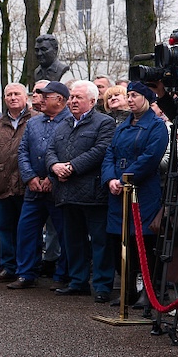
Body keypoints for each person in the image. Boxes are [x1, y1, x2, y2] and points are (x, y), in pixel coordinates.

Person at [101, 82, 168, 309]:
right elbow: (110, 153)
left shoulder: (156, 126)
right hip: (118, 192)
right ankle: (127, 289)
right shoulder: (122, 126)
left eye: (134, 95)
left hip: (143, 191)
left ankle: (148, 291)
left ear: (146, 98)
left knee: (144, 243)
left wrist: (125, 179)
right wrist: (110, 179)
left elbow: (150, 158)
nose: (129, 99)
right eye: (128, 95)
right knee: (120, 240)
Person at [50, 81, 116, 300]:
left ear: (92, 100)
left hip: (93, 193)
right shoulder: (63, 124)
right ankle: (78, 281)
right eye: (72, 97)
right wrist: (54, 166)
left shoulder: (104, 122)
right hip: (66, 192)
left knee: (100, 242)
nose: (73, 101)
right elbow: (50, 149)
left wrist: (72, 167)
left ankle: (102, 286)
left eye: (78, 97)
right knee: (73, 241)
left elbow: (101, 150)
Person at [10, 81, 71, 289]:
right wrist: (30, 177)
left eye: (46, 96)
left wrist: (51, 179)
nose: (41, 100)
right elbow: (23, 151)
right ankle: (26, 273)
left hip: (59, 188)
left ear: (60, 100)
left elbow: (70, 153)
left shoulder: (71, 121)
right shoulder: (34, 122)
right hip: (34, 188)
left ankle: (62, 275)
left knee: (64, 233)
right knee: (26, 231)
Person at [0, 83, 31, 282]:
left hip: (26, 186)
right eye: (9, 94)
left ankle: (26, 270)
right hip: (2, 186)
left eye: (17, 94)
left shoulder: (35, 120)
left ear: (26, 97)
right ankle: (8, 267)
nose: (12, 97)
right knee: (3, 229)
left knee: (26, 231)